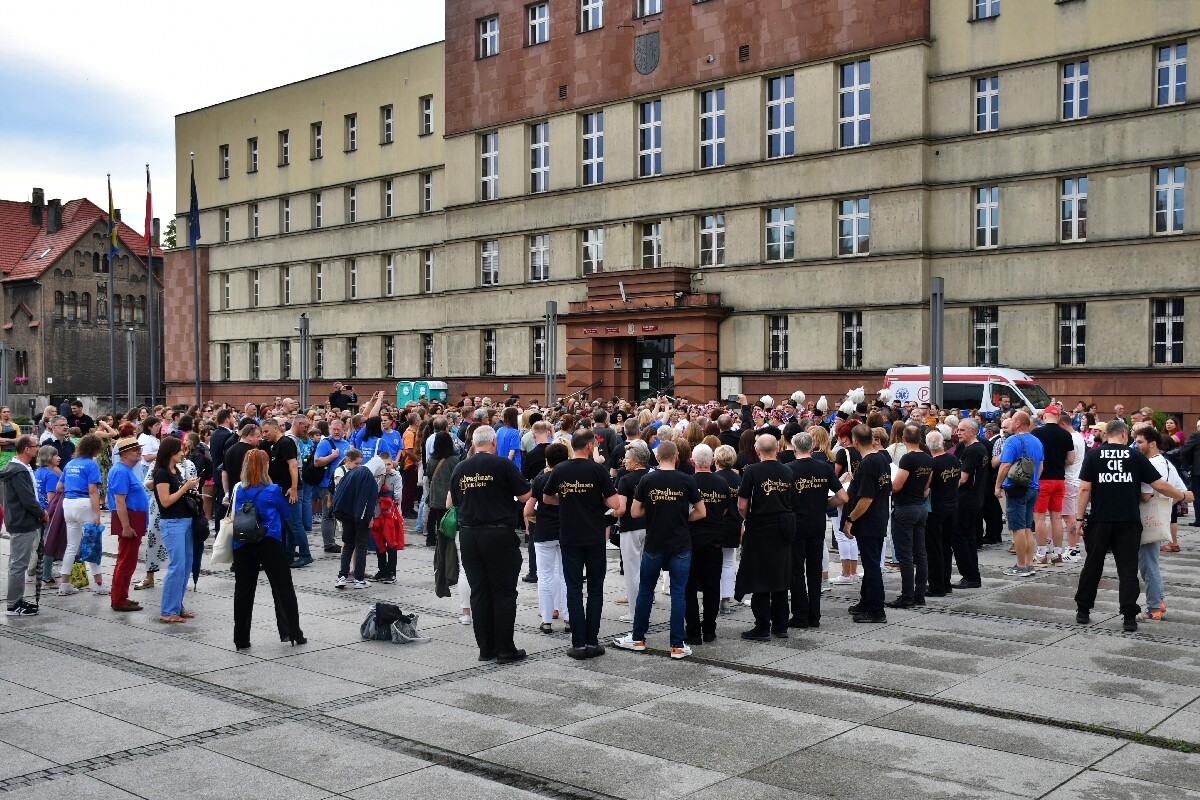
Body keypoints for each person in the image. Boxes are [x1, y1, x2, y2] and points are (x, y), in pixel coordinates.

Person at [1075, 420, 1185, 632]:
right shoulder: (1134, 456)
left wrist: (1079, 519)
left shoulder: (1094, 454)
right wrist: (1181, 496)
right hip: (1128, 521)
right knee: (1127, 569)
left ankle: (1083, 610)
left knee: (1092, 566)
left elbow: (1084, 489)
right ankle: (1129, 617)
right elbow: (1158, 484)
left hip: (1100, 520)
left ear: (1107, 435)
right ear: (1124, 435)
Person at [614, 440, 703, 659]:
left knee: (645, 590)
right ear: (676, 457)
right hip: (680, 542)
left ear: (658, 457)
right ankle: (677, 645)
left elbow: (634, 512)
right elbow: (701, 511)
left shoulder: (647, 479)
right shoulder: (686, 480)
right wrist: (682, 517)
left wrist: (655, 512)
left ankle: (638, 638)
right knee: (678, 594)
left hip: (655, 542)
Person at [450, 425, 533, 663]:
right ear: (494, 442)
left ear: (474, 444)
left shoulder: (461, 468)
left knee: (480, 592)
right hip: (498, 533)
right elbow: (526, 495)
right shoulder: (502, 465)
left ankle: (486, 649)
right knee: (504, 592)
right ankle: (505, 649)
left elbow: (455, 501)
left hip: (468, 535)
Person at [544, 430, 619, 659]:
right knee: (595, 589)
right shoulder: (598, 470)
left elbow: (547, 498)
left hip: (570, 536)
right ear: (588, 446)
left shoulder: (560, 469)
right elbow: (615, 503)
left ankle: (578, 644)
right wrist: (597, 499)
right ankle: (592, 641)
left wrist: (567, 499)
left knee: (574, 590)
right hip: (594, 536)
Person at [231, 449, 305, 649]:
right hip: (269, 540)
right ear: (264, 466)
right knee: (283, 588)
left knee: (244, 590)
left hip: (243, 542)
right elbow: (285, 512)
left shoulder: (239, 489)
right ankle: (293, 631)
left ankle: (241, 637)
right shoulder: (271, 490)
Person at [736, 434, 797, 640]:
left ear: (757, 450)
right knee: (780, 574)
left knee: (760, 576)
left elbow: (742, 504)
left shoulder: (752, 471)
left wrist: (747, 519)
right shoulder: (788, 470)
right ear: (777, 449)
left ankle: (762, 626)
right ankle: (780, 626)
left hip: (760, 526)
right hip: (783, 526)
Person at [786, 432, 846, 629]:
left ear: (794, 448)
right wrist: (826, 504)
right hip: (817, 523)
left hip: (797, 524)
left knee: (796, 570)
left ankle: (800, 615)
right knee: (814, 569)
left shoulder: (788, 470)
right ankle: (814, 615)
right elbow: (843, 497)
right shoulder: (824, 467)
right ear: (811, 448)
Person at [1133, 427, 1191, 622]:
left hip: (1145, 519)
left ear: (1152, 443)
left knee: (1148, 564)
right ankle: (1159, 599)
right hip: (1158, 519)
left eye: (1140, 442)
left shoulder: (1150, 464)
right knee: (1151, 562)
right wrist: (1166, 503)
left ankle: (1154, 607)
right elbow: (1183, 493)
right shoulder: (1165, 462)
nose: (1136, 445)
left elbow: (1147, 495)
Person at [844, 424, 892, 623]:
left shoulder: (868, 463)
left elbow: (866, 498)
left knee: (872, 565)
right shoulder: (882, 458)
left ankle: (876, 609)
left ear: (855, 441)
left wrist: (850, 519)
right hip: (878, 517)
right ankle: (866, 600)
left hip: (869, 520)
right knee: (869, 562)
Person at [685, 443, 732, 642]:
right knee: (713, 586)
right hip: (714, 541)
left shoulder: (688, 482)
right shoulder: (721, 483)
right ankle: (710, 629)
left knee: (689, 587)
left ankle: (694, 631)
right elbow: (725, 510)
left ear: (693, 461)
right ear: (712, 461)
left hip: (692, 540)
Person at [152, 436, 201, 623]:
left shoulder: (176, 471)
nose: (183, 453)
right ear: (170, 452)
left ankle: (177, 606)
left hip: (185, 520)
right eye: (180, 450)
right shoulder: (161, 473)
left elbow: (177, 494)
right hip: (172, 522)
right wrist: (185, 488)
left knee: (186, 565)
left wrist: (190, 491)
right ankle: (167, 610)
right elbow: (165, 501)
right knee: (177, 566)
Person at [523, 441, 570, 634]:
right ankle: (569, 618)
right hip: (567, 530)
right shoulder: (570, 478)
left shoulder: (541, 479)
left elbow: (527, 510)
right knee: (566, 575)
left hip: (544, 531)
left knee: (545, 575)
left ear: (547, 460)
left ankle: (547, 618)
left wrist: (536, 517)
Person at [2, 436, 48, 616]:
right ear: (27, 449)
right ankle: (13, 605)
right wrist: (41, 513)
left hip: (20, 520)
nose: (38, 449)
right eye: (36, 446)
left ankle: (17, 600)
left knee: (17, 563)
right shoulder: (19, 471)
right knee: (19, 565)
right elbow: (27, 499)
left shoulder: (20, 468)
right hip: (22, 521)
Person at [996, 411, 1044, 577]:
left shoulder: (1012, 440)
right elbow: (1041, 466)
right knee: (1027, 528)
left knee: (1017, 528)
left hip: (1016, 488)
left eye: (1012, 421)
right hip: (1033, 487)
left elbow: (1005, 465)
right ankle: (1029, 564)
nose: (1009, 424)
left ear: (1017, 423)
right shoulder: (1037, 441)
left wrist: (997, 486)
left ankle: (1020, 566)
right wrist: (1034, 481)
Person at [889, 424, 933, 608]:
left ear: (903, 439)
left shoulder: (908, 459)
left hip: (905, 508)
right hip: (920, 507)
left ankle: (907, 596)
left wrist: (886, 485)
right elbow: (926, 488)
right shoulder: (928, 458)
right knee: (920, 553)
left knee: (905, 555)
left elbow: (897, 486)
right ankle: (919, 594)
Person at [332, 454, 391, 589]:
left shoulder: (353, 472)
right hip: (359, 517)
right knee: (360, 546)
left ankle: (342, 576)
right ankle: (359, 579)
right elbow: (367, 501)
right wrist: (367, 519)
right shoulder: (368, 477)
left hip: (345, 513)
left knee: (347, 545)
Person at [59, 434, 106, 596]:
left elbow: (59, 486)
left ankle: (64, 584)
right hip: (84, 503)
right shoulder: (91, 465)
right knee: (92, 544)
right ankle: (99, 583)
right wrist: (98, 514)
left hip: (69, 503)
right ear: (95, 449)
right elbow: (93, 491)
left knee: (71, 546)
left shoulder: (70, 463)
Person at [107, 437, 148, 612]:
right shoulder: (121, 471)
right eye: (135, 449)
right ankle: (119, 599)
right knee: (126, 561)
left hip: (134, 519)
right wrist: (125, 526)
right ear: (123, 454)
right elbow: (119, 501)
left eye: (139, 448)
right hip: (130, 520)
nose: (139, 452)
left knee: (127, 560)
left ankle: (121, 596)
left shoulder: (125, 470)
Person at [1031, 405, 1075, 566]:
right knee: (1057, 517)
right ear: (1057, 418)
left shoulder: (1036, 433)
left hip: (1042, 479)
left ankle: (1042, 554)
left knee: (1040, 517)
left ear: (1044, 417)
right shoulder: (1066, 434)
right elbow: (1071, 459)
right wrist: (1058, 463)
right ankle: (1057, 554)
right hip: (1059, 480)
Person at [613, 442, 652, 620]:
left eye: (627, 458)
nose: (624, 461)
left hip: (631, 527)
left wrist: (611, 511)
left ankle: (635, 611)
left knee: (631, 570)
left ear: (636, 461)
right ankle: (646, 602)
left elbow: (621, 509)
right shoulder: (653, 475)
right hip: (651, 526)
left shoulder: (626, 480)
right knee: (647, 569)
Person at [951, 419, 986, 588]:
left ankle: (970, 576)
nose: (958, 432)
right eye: (958, 429)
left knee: (960, 539)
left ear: (972, 432)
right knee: (969, 538)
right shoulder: (978, 448)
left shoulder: (973, 450)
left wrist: (947, 488)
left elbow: (963, 478)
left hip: (966, 501)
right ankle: (972, 575)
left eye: (962, 430)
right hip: (975, 500)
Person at [925, 430, 959, 598]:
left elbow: (926, 488)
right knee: (946, 547)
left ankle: (936, 586)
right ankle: (946, 582)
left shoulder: (933, 463)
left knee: (934, 548)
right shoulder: (953, 459)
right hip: (952, 506)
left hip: (936, 509)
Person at [313, 418, 350, 553]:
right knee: (328, 514)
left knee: (337, 513)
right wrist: (332, 456)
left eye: (338, 430)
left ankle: (335, 541)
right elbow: (317, 461)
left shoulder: (346, 443)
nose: (336, 432)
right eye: (333, 429)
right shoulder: (325, 443)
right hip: (327, 484)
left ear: (343, 430)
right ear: (329, 429)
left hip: (342, 483)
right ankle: (329, 544)